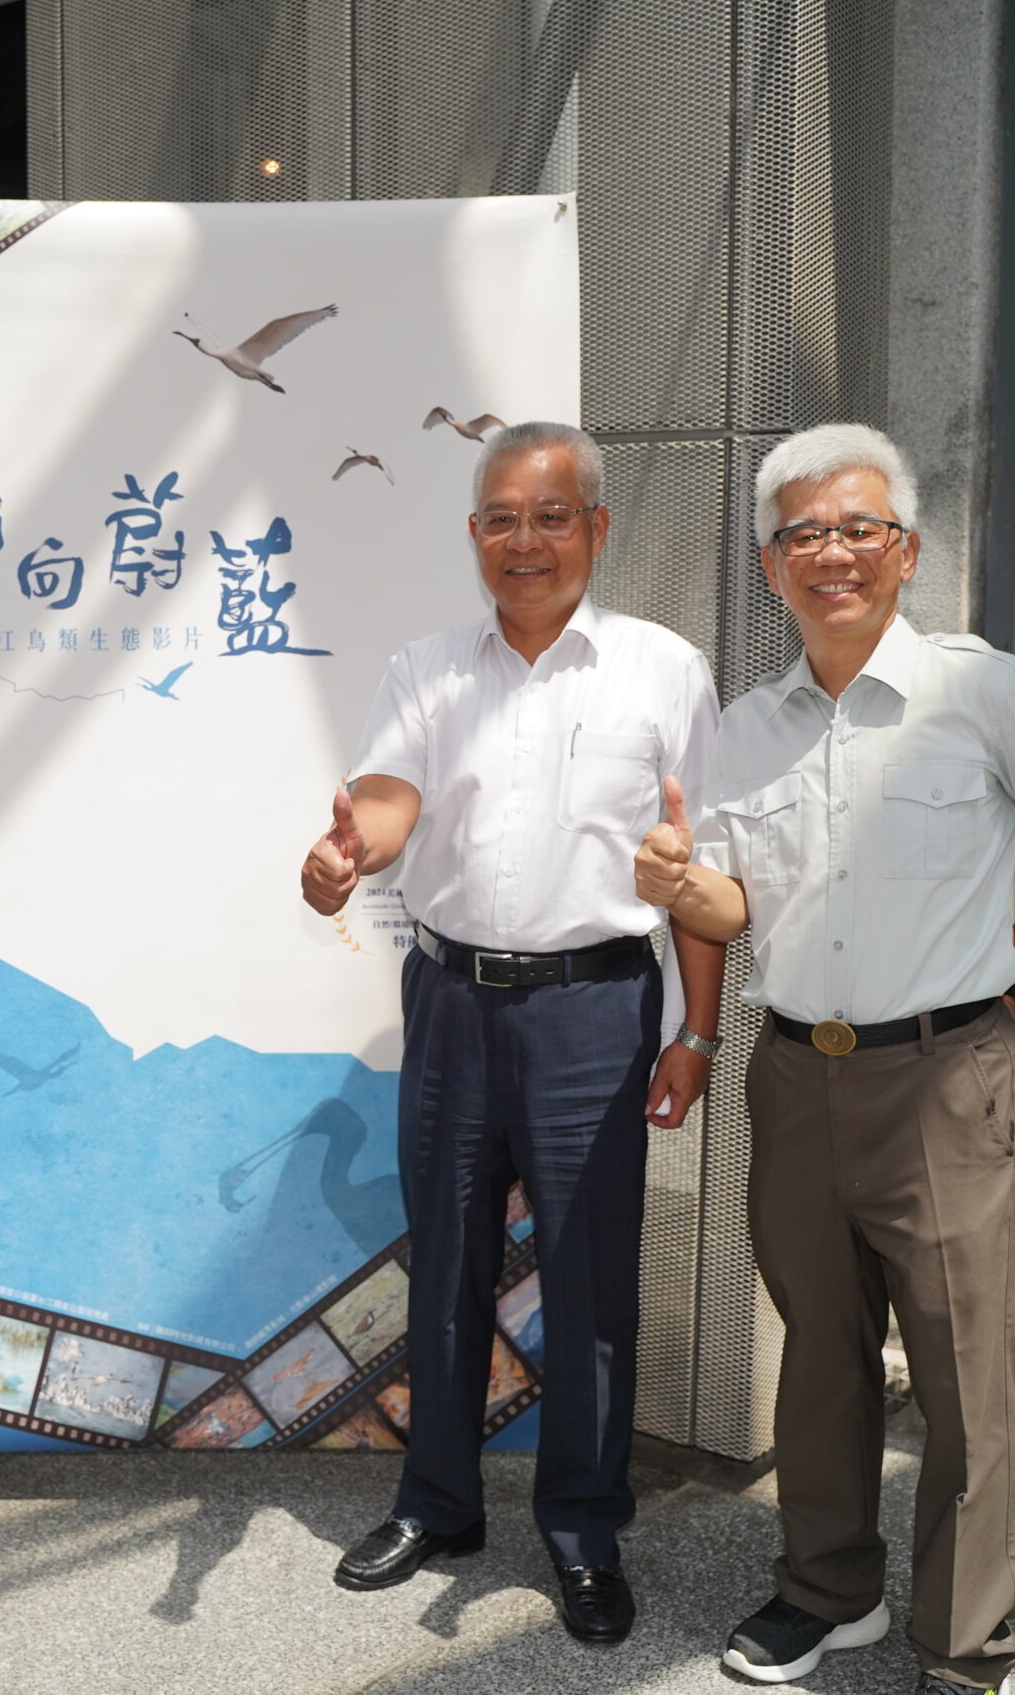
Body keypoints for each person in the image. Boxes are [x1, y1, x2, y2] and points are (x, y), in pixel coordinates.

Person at [636, 423, 1015, 1694]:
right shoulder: (744, 728)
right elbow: (735, 908)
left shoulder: (987, 692)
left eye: (859, 528)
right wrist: (681, 888)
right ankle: (829, 1591)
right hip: (794, 1074)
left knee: (968, 1372)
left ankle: (963, 1644)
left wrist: (1006, 962)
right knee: (818, 1353)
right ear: (770, 565)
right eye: (803, 534)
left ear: (906, 551)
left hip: (944, 1079)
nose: (833, 554)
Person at [299, 421, 725, 1643]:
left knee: (588, 1284)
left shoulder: (663, 670)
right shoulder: (426, 668)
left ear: (595, 527)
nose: (523, 541)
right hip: (450, 1004)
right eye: (500, 519)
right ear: (473, 533)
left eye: (548, 517)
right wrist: (349, 855)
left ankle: (583, 1530)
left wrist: (696, 1033)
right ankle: (437, 1504)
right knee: (444, 1263)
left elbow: (699, 864)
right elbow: (388, 800)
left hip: (596, 1010)